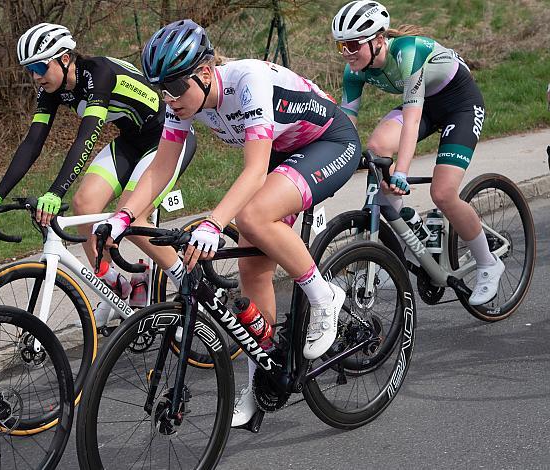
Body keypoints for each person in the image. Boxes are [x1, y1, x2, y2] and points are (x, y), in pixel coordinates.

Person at [92, 19, 361, 428]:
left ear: (204, 73)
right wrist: (123, 216)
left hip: (327, 142)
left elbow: (253, 171)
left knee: (251, 217)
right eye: (161, 91)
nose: (170, 100)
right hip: (281, 153)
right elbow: (162, 166)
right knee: (254, 267)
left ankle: (325, 298)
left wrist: (214, 223)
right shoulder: (185, 101)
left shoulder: (246, 80)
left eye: (176, 89)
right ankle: (262, 379)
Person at [0, 23, 196, 327]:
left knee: (133, 217)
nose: (36, 76)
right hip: (132, 140)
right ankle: (121, 286)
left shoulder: (98, 74)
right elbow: (32, 142)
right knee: (84, 204)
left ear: (65, 58)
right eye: (30, 70)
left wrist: (54, 192)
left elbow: (86, 139)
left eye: (40, 66)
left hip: (169, 138)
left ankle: (190, 288)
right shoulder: (51, 90)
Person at [332, 1, 503, 305]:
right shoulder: (354, 71)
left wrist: (401, 173)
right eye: (341, 45)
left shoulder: (407, 52)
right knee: (377, 149)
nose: (347, 53)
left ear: (378, 40)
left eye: (353, 45)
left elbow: (411, 121)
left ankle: (488, 263)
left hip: (460, 105)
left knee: (443, 193)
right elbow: (344, 125)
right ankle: (407, 225)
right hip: (425, 104)